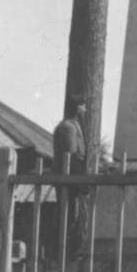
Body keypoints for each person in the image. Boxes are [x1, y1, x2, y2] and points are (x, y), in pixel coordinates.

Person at [52, 94, 89, 260]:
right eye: (83, 106)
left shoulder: (74, 125)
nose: (85, 109)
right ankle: (64, 252)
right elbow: (71, 156)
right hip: (68, 177)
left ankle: (68, 251)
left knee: (71, 214)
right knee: (68, 214)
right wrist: (80, 181)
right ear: (77, 108)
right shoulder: (68, 127)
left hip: (72, 175)